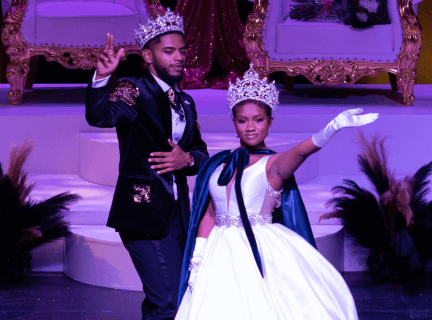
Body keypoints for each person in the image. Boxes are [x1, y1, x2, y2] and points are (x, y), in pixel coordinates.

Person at [175, 65, 378, 320]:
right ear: (234, 122)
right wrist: (196, 260)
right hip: (218, 251)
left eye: (258, 119)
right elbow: (209, 215)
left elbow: (302, 151)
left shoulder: (273, 165)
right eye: (242, 120)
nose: (250, 127)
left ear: (270, 121)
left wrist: (332, 128)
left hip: (259, 247)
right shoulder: (218, 164)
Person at [85, 9, 209, 320]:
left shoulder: (186, 102)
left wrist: (187, 158)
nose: (178, 57)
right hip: (143, 211)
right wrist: (102, 78)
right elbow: (102, 116)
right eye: (169, 51)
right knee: (169, 303)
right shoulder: (134, 88)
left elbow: (201, 153)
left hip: (179, 214)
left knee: (167, 299)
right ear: (148, 56)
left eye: (182, 51)